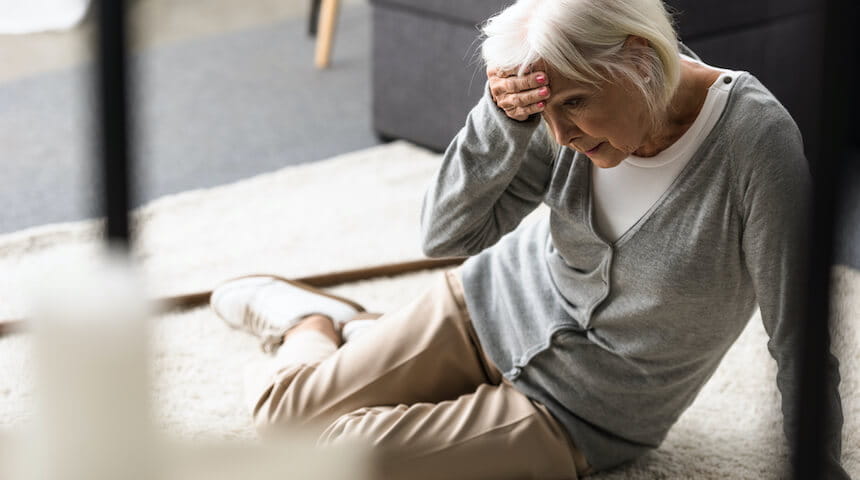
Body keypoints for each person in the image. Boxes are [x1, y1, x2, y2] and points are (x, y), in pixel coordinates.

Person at [210, 0, 849, 478]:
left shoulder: (754, 145)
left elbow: (796, 334)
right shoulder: (560, 119)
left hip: (579, 412)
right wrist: (502, 117)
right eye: (544, 111)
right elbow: (447, 234)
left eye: (572, 103)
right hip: (485, 306)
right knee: (283, 417)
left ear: (639, 59)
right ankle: (315, 322)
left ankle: (364, 336)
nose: (562, 134)